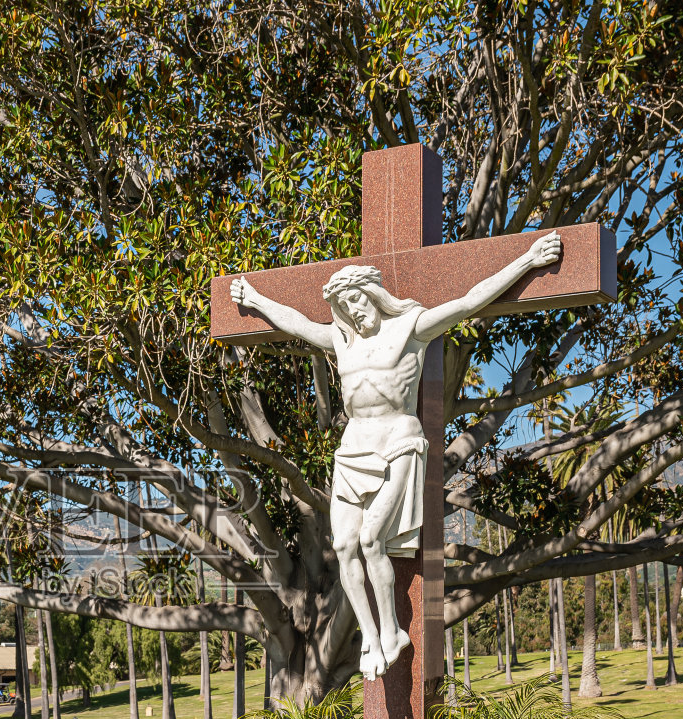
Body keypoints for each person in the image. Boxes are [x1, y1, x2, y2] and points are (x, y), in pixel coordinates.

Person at [230, 232, 562, 678]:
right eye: (344, 307)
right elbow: (296, 323)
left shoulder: (411, 328)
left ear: (373, 294)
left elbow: (468, 302)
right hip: (353, 450)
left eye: (358, 302)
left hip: (398, 442)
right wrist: (255, 298)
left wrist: (526, 261)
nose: (353, 312)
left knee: (371, 540)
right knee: (345, 544)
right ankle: (372, 635)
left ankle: (392, 631)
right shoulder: (341, 341)